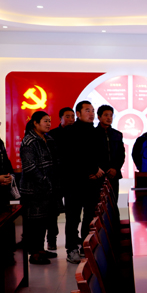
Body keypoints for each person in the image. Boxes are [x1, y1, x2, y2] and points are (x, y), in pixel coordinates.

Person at [64, 101, 105, 264]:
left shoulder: (96, 132)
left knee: (89, 216)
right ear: (78, 114)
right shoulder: (70, 132)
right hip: (75, 182)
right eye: (87, 110)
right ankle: (71, 249)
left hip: (92, 183)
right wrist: (92, 170)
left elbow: (100, 155)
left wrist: (98, 171)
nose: (91, 113)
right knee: (73, 218)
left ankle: (85, 246)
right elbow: (74, 156)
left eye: (93, 110)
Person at [20, 111, 62, 265]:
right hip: (34, 190)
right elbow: (29, 167)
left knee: (45, 220)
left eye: (49, 121)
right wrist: (44, 181)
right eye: (45, 121)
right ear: (35, 123)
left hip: (48, 189)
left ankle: (41, 249)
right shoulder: (29, 141)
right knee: (35, 223)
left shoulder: (48, 139)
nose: (49, 124)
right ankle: (35, 253)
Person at [46, 106, 75, 251]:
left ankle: (73, 238)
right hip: (56, 178)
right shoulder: (51, 135)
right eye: (67, 116)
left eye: (73, 116)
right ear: (60, 119)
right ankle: (52, 239)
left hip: (72, 178)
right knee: (53, 211)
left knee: (73, 211)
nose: (71, 119)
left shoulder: (77, 133)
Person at [96, 105, 125, 199]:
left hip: (113, 175)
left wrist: (115, 168)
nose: (109, 118)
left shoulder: (117, 134)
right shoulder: (93, 134)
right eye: (106, 115)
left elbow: (121, 155)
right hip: (98, 175)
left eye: (111, 115)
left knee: (113, 202)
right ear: (99, 117)